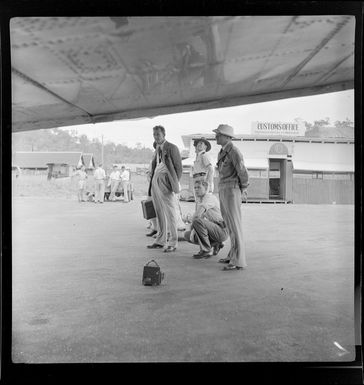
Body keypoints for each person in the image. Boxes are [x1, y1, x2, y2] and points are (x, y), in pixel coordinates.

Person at [213, 124, 249, 271]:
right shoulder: (222, 152)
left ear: (227, 137)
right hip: (224, 189)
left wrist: (244, 187)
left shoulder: (234, 151)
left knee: (235, 225)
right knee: (229, 225)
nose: (216, 136)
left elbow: (242, 171)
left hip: (232, 190)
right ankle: (232, 254)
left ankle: (238, 260)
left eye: (219, 134)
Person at [147, 125, 182, 252]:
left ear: (164, 134)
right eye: (154, 134)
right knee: (159, 211)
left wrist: (173, 184)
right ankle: (161, 240)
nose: (156, 137)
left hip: (165, 182)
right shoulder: (157, 148)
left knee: (170, 212)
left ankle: (173, 242)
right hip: (156, 181)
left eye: (158, 134)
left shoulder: (171, 147)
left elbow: (178, 168)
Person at [184, 180, 228, 258]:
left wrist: (188, 219)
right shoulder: (200, 200)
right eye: (195, 188)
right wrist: (192, 232)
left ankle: (206, 250)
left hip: (222, 229)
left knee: (197, 221)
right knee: (187, 235)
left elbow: (197, 216)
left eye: (199, 187)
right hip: (214, 229)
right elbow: (198, 222)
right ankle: (216, 243)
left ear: (206, 188)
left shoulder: (209, 197)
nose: (196, 189)